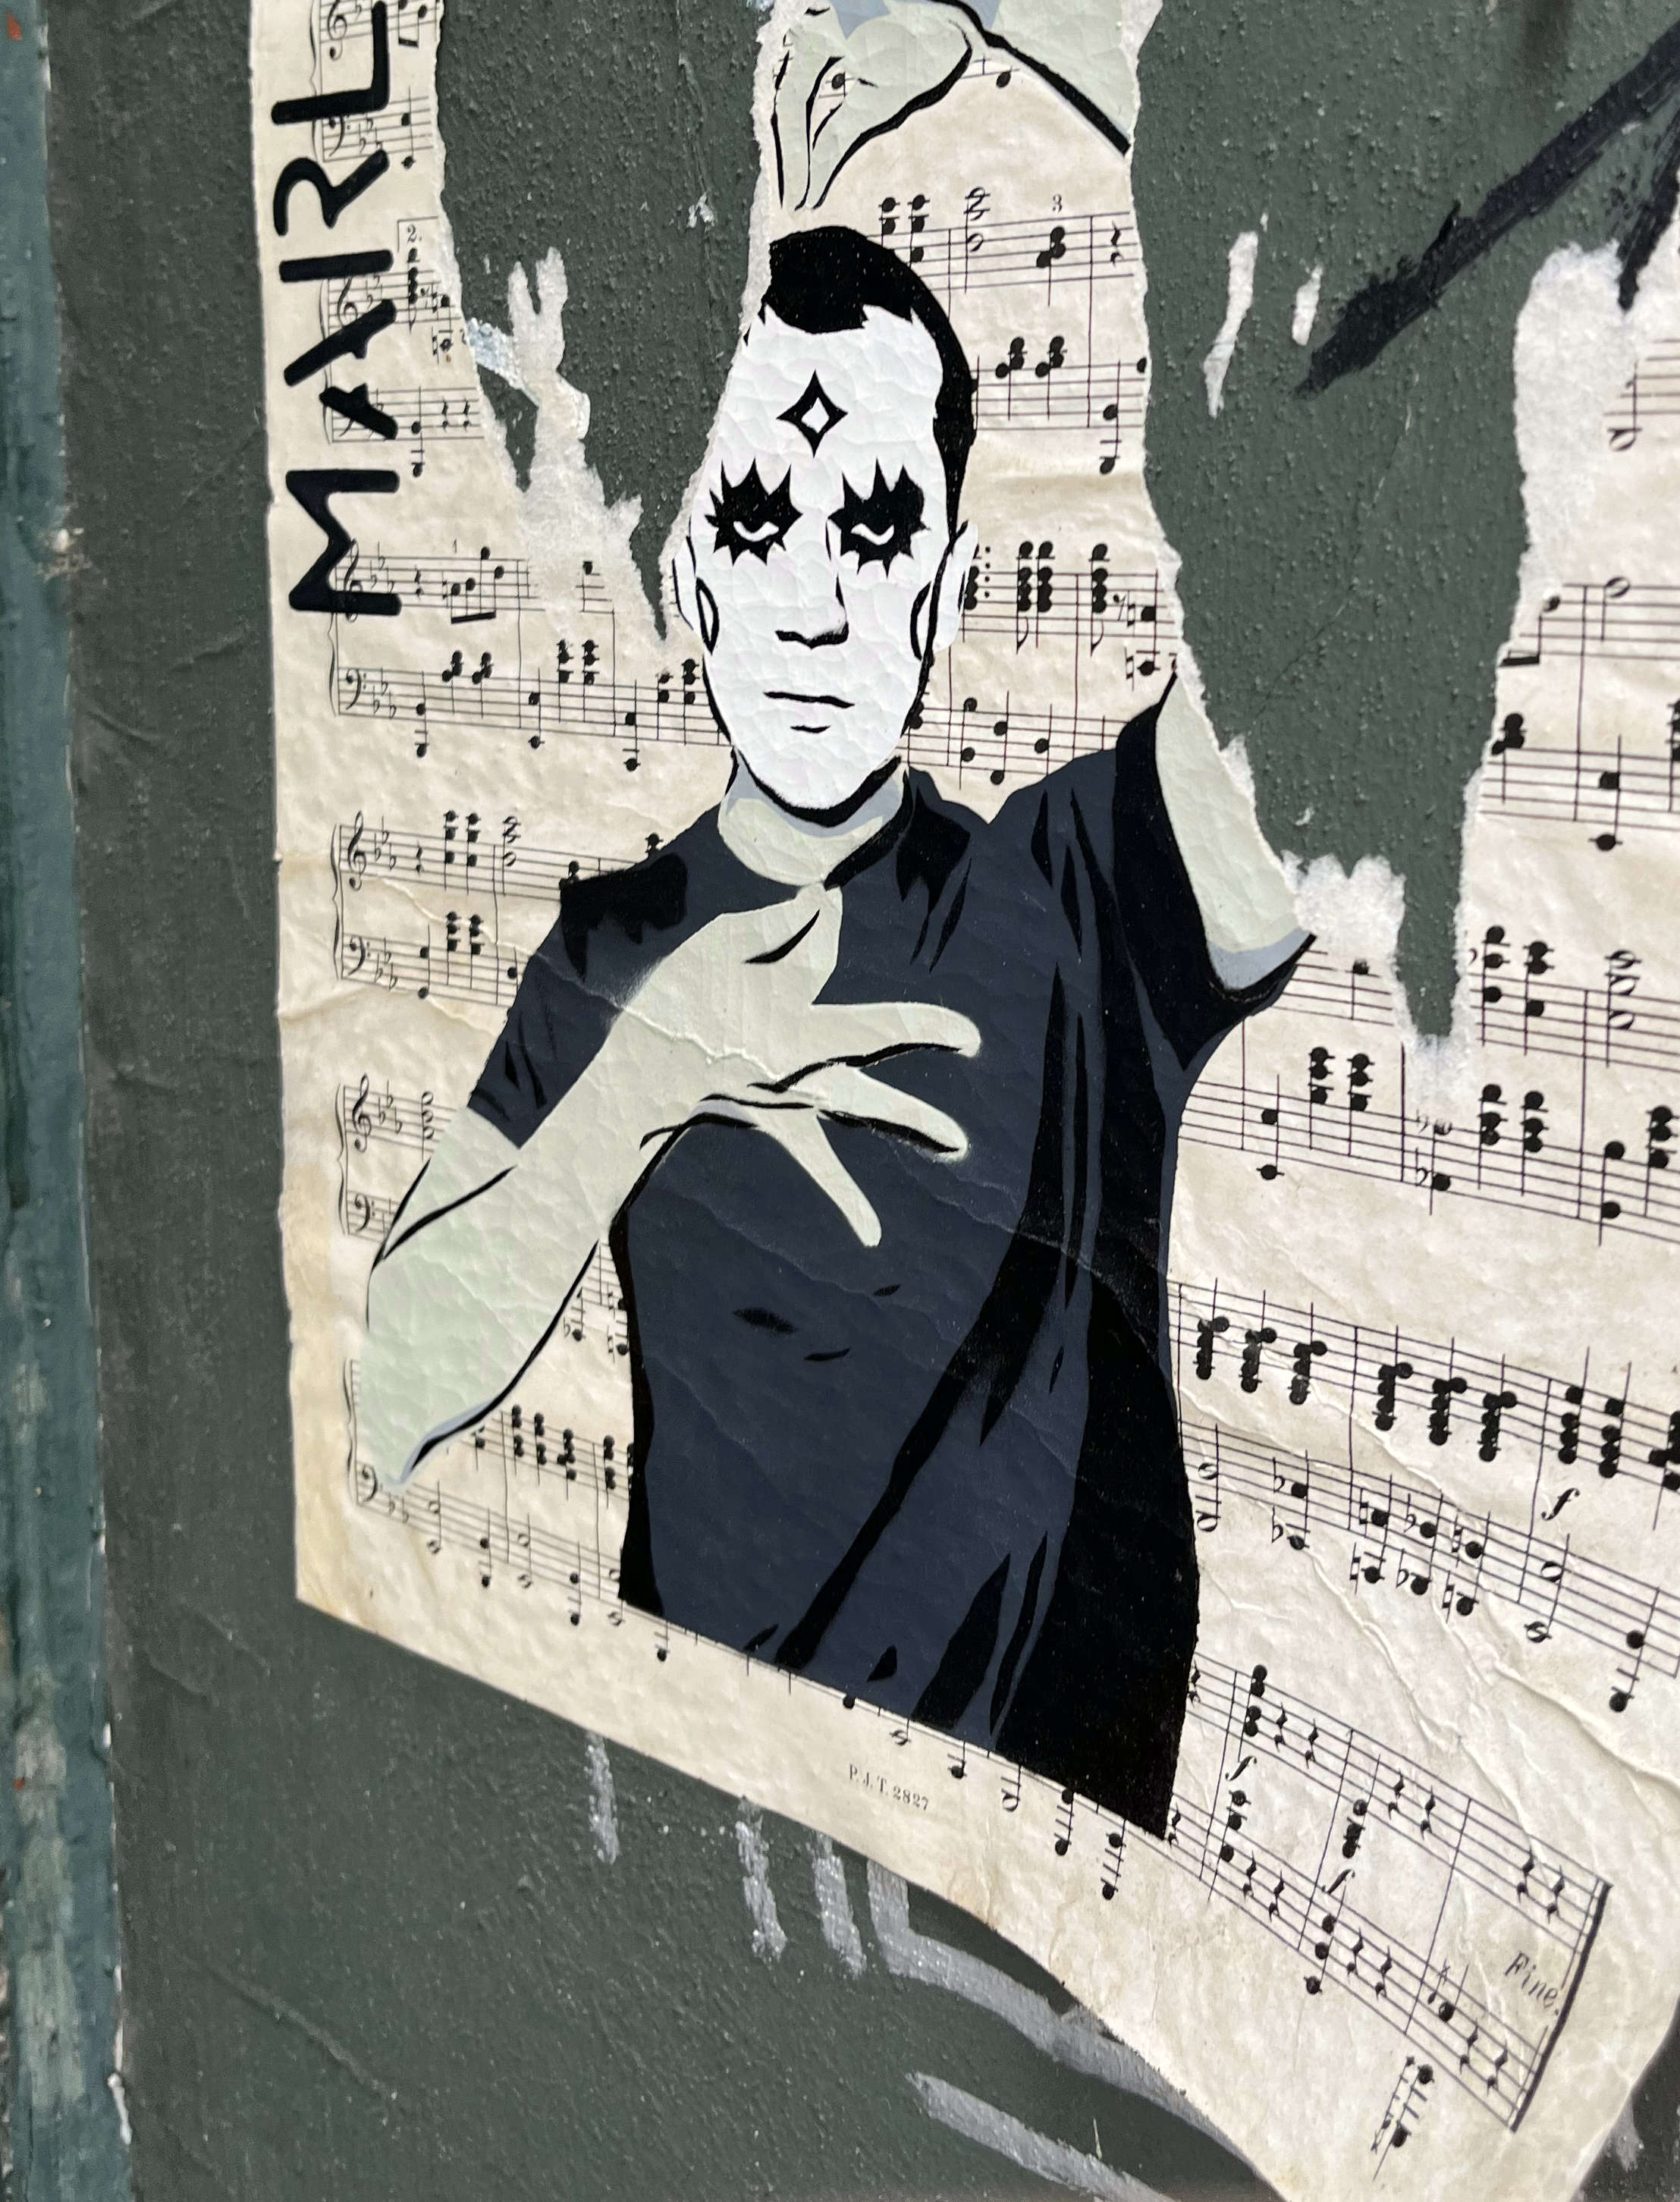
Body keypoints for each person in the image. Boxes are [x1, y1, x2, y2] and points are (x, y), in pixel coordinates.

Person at [357, 225, 1305, 1827]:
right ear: (688, 573)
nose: (811, 604)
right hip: (721, 1824)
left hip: (1022, 1873)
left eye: (872, 531)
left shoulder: (1076, 885)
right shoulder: (616, 950)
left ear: (945, 584)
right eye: (753, 520)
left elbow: (1314, 708)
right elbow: (391, 1386)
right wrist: (654, 1069)